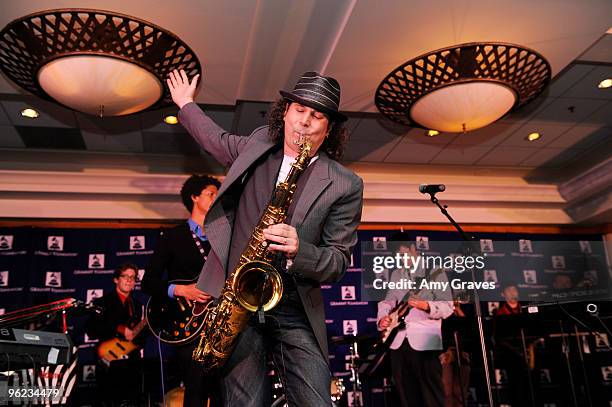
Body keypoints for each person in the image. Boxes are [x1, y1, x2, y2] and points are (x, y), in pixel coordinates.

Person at [167, 69, 364, 406]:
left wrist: (300, 250)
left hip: (293, 303)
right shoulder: (258, 144)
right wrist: (185, 103)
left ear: (328, 129)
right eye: (299, 110)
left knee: (317, 400)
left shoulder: (345, 184)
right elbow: (216, 138)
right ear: (284, 112)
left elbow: (338, 260)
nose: (304, 122)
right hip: (238, 300)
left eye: (316, 116)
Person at [142, 174, 221, 407]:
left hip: (219, 325)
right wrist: (181, 290)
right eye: (211, 194)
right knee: (195, 391)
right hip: (187, 327)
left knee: (222, 392)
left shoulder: (221, 238)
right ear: (194, 197)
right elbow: (148, 283)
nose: (216, 198)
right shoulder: (173, 236)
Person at [377, 232, 453, 407]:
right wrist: (383, 318)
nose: (402, 260)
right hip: (398, 343)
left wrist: (425, 305)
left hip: (425, 343)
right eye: (397, 257)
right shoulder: (396, 274)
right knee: (406, 397)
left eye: (404, 255)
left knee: (431, 398)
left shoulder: (434, 271)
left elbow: (448, 306)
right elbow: (387, 302)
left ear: (413, 249)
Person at [86, 263, 145, 406]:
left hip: (131, 361)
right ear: (116, 279)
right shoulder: (102, 302)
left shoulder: (137, 305)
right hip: (109, 360)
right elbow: (91, 329)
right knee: (109, 400)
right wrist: (119, 329)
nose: (129, 280)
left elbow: (140, 338)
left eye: (133, 277)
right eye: (125, 276)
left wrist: (139, 334)